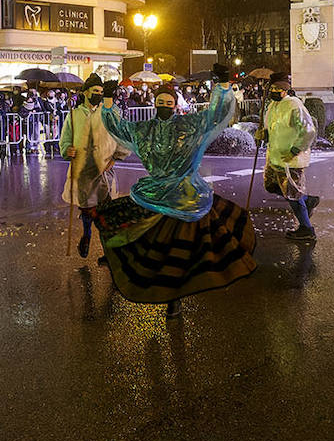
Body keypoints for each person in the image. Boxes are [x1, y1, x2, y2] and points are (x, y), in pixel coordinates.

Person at [91, 67, 257, 317]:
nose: (164, 107)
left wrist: (223, 87)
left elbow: (216, 115)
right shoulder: (144, 129)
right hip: (156, 197)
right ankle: (168, 295)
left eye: (168, 102)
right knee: (162, 251)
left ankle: (175, 298)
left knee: (181, 252)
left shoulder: (189, 125)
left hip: (185, 198)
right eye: (160, 102)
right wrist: (107, 101)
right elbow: (119, 127)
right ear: (156, 104)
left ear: (175, 105)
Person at [60, 74, 118, 261]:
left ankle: (108, 251)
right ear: (86, 92)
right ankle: (86, 235)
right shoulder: (74, 114)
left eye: (101, 92)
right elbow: (66, 137)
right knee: (87, 209)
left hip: (104, 169)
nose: (99, 95)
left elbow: (120, 134)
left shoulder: (108, 112)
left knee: (105, 214)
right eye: (96, 91)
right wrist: (67, 149)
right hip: (83, 170)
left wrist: (116, 157)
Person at [258, 73, 319, 243]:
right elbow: (272, 127)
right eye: (273, 88)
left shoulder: (294, 105)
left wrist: (295, 150)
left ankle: (307, 229)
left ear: (286, 90)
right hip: (275, 157)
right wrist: (264, 133)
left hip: (291, 159)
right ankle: (307, 200)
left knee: (292, 195)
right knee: (271, 186)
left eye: (278, 88)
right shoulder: (272, 105)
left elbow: (308, 130)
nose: (275, 91)